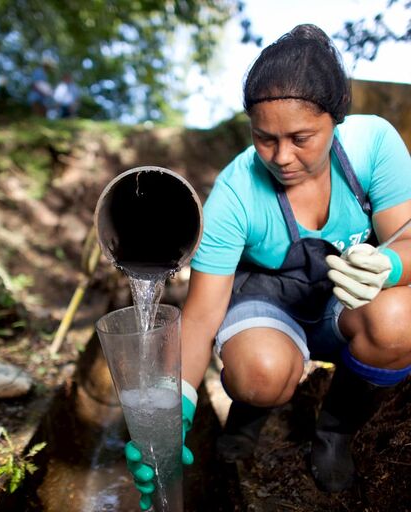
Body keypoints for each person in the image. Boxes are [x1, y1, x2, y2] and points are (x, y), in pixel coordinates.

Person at [124, 24, 411, 509]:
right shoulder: (236, 192)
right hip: (268, 302)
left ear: (336, 117)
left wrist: (387, 263)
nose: (282, 157)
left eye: (301, 138)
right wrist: (176, 406)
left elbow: (408, 238)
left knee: (401, 320)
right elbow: (199, 316)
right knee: (261, 375)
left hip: (345, 298)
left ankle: (335, 431)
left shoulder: (373, 146)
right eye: (264, 138)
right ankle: (250, 411)